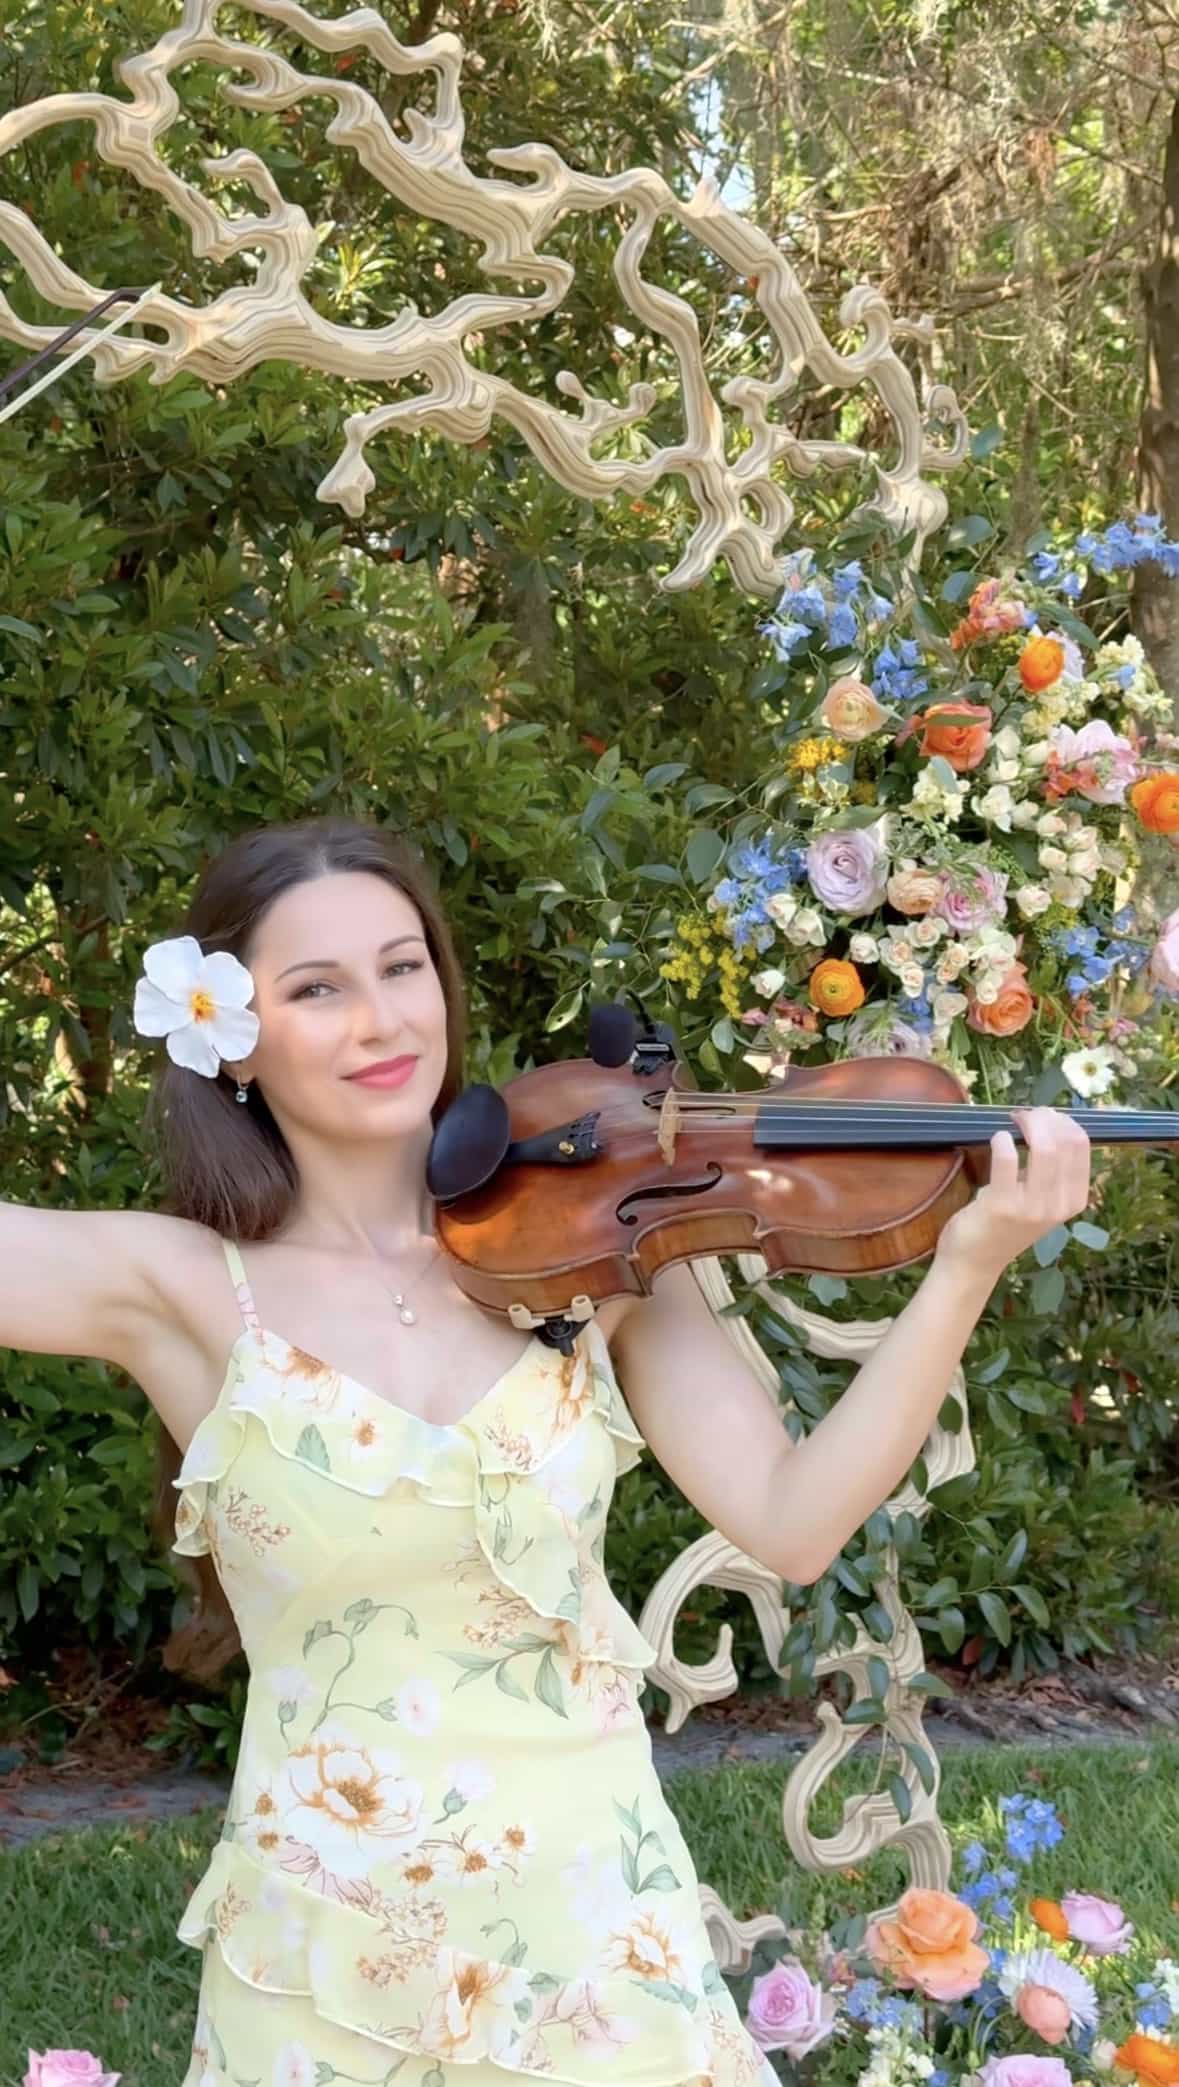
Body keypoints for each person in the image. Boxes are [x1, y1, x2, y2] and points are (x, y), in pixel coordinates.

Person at [1, 815, 1091, 2087]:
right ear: (231, 1033)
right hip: (323, 1946)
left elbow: (794, 1520)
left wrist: (966, 1264)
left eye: (403, 967)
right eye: (317, 987)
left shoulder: (603, 1241)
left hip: (595, 1925)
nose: (380, 1020)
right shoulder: (181, 1287)